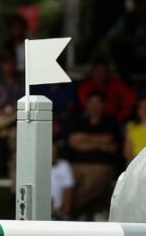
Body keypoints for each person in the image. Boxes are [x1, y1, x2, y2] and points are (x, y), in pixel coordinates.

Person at [67, 90, 122, 219]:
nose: (94, 106)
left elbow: (108, 139)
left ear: (104, 105)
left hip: (101, 167)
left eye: (97, 103)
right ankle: (69, 212)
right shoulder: (79, 122)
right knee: (65, 181)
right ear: (86, 105)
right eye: (91, 103)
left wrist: (84, 140)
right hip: (77, 166)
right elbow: (73, 141)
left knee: (88, 186)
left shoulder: (111, 123)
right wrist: (101, 146)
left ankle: (66, 211)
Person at [50, 142, 74, 221]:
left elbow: (68, 189)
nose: (51, 154)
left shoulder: (64, 166)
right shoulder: (39, 166)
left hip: (58, 211)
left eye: (53, 152)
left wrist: (66, 212)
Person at [124, 97, 146, 163]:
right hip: (136, 163)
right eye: (142, 107)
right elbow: (127, 152)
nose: (145, 110)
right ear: (137, 110)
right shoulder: (131, 126)